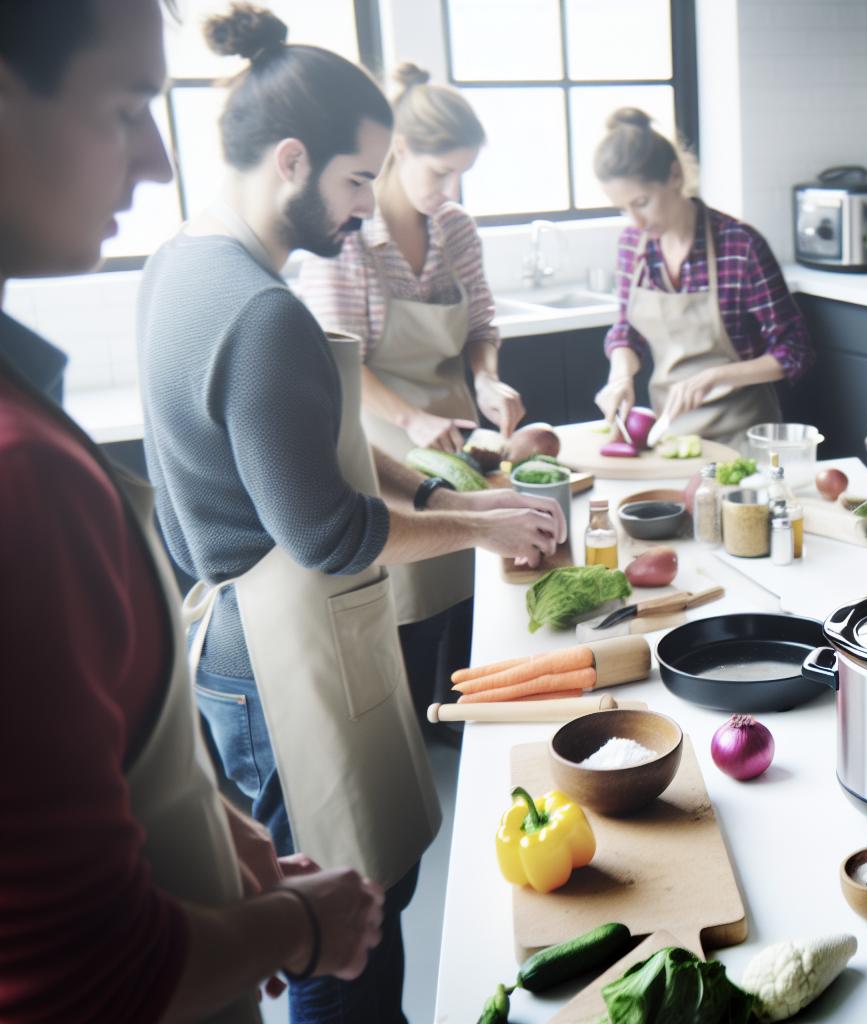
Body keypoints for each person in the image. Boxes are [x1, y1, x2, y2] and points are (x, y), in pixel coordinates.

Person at [137, 7, 563, 1020]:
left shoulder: (183, 265)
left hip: (242, 641)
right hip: (280, 649)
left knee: (347, 892)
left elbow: (313, 440)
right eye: (358, 179)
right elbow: (327, 529)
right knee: (345, 917)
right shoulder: (263, 310)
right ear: (292, 159)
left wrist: (445, 492)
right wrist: (481, 527)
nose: (365, 211)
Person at [0, 1, 383, 1020]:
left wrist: (205, 811)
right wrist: (306, 930)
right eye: (127, 106)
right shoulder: (20, 478)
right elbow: (84, 977)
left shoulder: (177, 264)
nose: (159, 160)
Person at [298, 62, 514, 723]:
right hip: (384, 433)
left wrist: (486, 376)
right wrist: (410, 419)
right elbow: (339, 362)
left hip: (455, 426)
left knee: (477, 575)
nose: (450, 189)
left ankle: (465, 713)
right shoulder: (348, 241)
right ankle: (415, 722)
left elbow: (480, 325)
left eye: (461, 174)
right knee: (414, 588)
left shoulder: (456, 230)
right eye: (440, 171)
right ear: (398, 150)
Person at [593, 107, 810, 450]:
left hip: (743, 439)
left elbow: (794, 350)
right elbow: (626, 331)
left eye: (642, 202)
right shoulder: (632, 245)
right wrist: (620, 375)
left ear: (675, 176)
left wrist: (715, 377)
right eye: (623, 209)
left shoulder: (740, 246)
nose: (635, 221)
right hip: (670, 438)